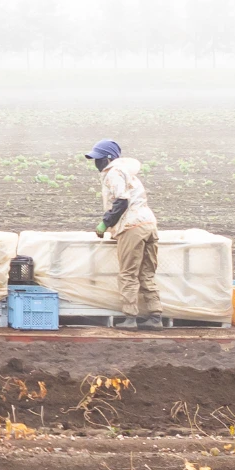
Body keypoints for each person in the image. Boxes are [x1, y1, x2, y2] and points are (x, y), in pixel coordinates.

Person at [83, 139, 162, 330]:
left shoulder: (114, 172)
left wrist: (105, 223)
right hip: (149, 224)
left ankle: (130, 318)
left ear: (108, 158)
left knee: (128, 273)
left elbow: (121, 202)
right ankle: (156, 315)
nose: (97, 163)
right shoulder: (128, 172)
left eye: (99, 158)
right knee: (147, 272)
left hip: (131, 226)